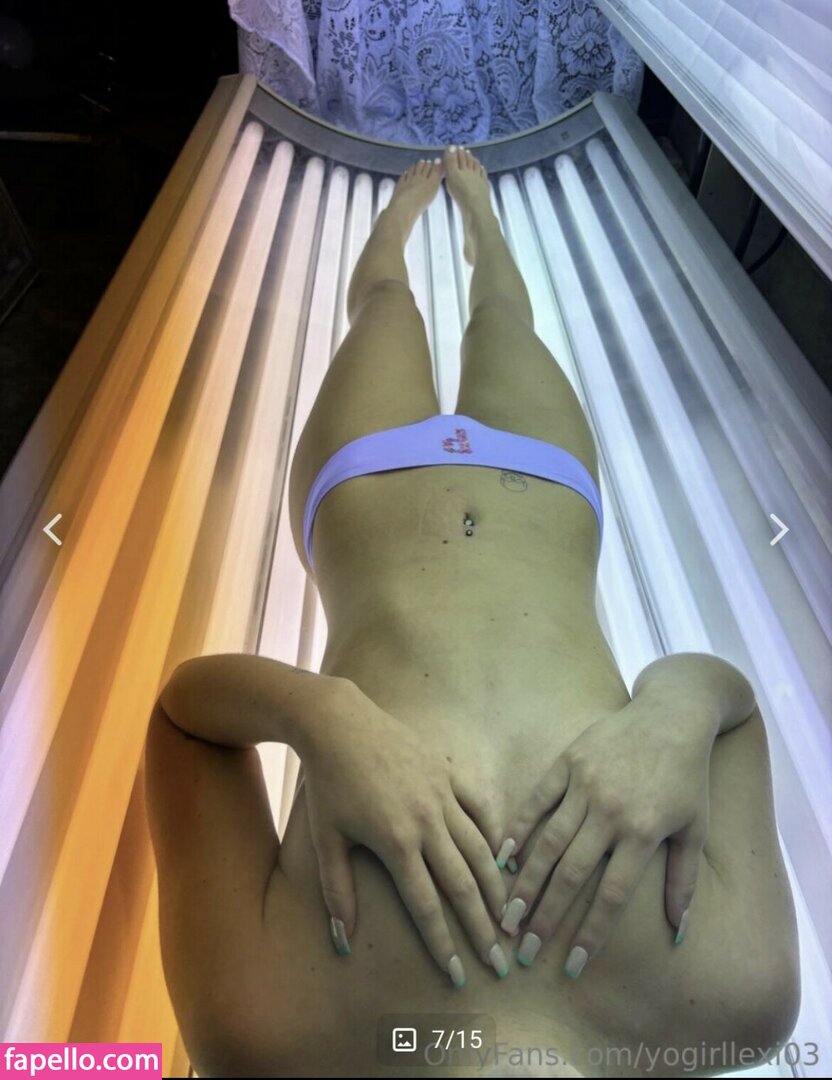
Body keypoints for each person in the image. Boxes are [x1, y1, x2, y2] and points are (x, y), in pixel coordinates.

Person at [145, 147, 800, 1078]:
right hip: (547, 489)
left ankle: (395, 227)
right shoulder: (741, 1000)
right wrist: (673, 714)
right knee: (505, 314)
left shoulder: (264, 1035)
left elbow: (183, 717)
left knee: (383, 304)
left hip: (366, 486)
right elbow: (730, 707)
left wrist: (326, 718)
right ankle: (481, 224)